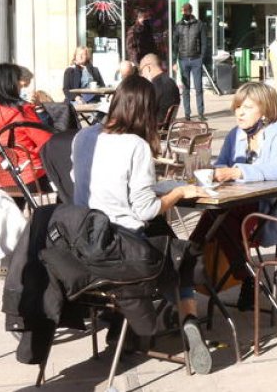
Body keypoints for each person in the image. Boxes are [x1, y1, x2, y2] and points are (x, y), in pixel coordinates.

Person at [84, 75, 212, 373]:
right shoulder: (136, 145)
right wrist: (178, 193)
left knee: (166, 240)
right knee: (183, 255)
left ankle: (126, 325)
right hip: (127, 246)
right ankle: (189, 319)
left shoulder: (91, 138)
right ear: (146, 110)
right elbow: (146, 210)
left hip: (92, 240)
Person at [189, 83, 277, 310]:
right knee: (215, 215)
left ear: (264, 110)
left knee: (222, 218)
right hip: (243, 205)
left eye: (247, 107)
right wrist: (214, 171)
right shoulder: (235, 134)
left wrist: (236, 172)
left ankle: (193, 265)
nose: (240, 113)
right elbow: (222, 163)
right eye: (237, 107)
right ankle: (193, 262)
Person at [0, 63, 52, 192]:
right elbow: (47, 142)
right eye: (17, 80)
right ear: (10, 83)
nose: (20, 85)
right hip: (28, 178)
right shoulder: (23, 111)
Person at [173, 2, 205, 120]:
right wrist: (174, 61)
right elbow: (175, 44)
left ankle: (201, 113)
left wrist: (201, 57)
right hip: (183, 60)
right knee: (186, 88)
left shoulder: (199, 24)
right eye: (182, 12)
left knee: (198, 88)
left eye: (185, 11)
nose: (184, 14)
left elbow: (204, 42)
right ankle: (187, 114)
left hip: (196, 59)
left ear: (190, 11)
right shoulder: (178, 26)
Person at [140, 54, 180, 128]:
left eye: (142, 71)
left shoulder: (154, 87)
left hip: (153, 128)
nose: (142, 75)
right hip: (166, 127)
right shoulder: (172, 82)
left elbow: (145, 110)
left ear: (148, 68)